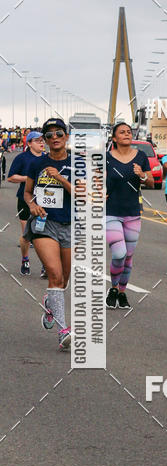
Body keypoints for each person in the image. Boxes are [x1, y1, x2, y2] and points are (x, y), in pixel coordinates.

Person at [23, 118, 73, 351]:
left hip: (71, 225)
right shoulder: (36, 164)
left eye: (58, 133)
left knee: (64, 280)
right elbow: (27, 192)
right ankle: (63, 331)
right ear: (44, 140)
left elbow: (84, 195)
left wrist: (61, 179)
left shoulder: (78, 163)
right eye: (49, 134)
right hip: (44, 224)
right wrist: (31, 205)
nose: (54, 137)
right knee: (54, 274)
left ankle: (50, 303)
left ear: (66, 136)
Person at [105, 122, 151, 309]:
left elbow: (151, 181)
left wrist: (142, 175)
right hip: (111, 213)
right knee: (119, 253)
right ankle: (113, 288)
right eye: (122, 132)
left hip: (132, 213)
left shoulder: (140, 156)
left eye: (129, 132)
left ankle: (122, 293)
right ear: (114, 138)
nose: (126, 134)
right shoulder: (105, 158)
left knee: (129, 257)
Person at [8, 130, 46, 275]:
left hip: (44, 200)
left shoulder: (48, 158)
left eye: (42, 140)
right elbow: (11, 177)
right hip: (25, 199)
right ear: (29, 143)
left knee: (43, 234)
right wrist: (29, 178)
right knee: (27, 235)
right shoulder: (22, 158)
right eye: (37, 140)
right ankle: (25, 259)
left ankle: (45, 265)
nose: (41, 143)